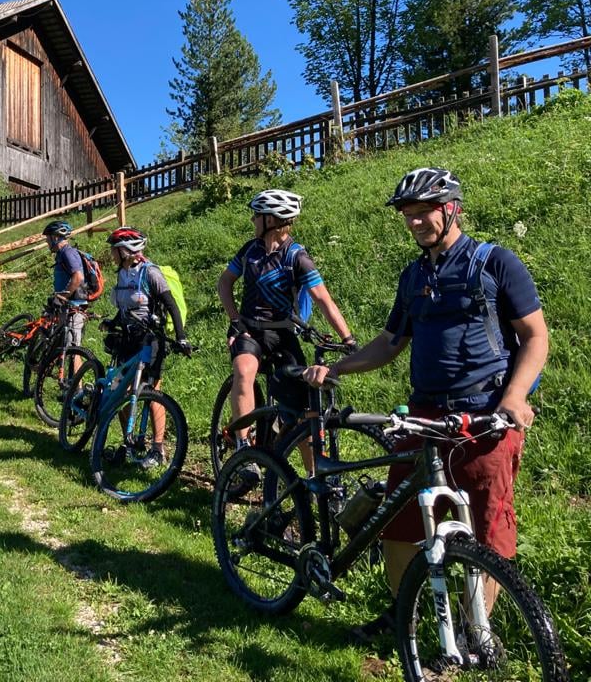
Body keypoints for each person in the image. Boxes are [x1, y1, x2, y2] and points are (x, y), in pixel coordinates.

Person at [303, 167, 549, 642]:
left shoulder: (495, 263)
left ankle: (476, 634)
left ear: (452, 209)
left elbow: (535, 336)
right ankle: (405, 618)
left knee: (486, 528)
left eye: (424, 213)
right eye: (408, 215)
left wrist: (515, 397)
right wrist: (338, 368)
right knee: (399, 522)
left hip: (484, 416)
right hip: (424, 414)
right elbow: (391, 342)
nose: (415, 223)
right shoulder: (414, 275)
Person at [217, 189, 354, 450]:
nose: (253, 220)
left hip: (283, 334)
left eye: (256, 215)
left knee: (304, 411)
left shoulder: (296, 257)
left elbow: (323, 299)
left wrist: (348, 339)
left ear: (270, 220)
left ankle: (313, 473)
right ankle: (243, 450)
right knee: (244, 371)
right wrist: (235, 321)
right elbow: (224, 283)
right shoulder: (250, 250)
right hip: (250, 331)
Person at [101, 227, 192, 468]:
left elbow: (171, 305)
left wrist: (181, 337)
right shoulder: (122, 273)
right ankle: (129, 443)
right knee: (120, 391)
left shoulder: (150, 273)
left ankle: (158, 449)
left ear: (126, 251)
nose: (111, 254)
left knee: (152, 394)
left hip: (150, 340)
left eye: (114, 249)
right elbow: (125, 308)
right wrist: (113, 322)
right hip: (128, 339)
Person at [43, 220, 88, 349]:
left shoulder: (68, 253)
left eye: (48, 238)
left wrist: (63, 297)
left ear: (55, 237)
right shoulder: (61, 254)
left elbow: (78, 276)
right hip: (65, 306)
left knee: (72, 349)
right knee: (62, 346)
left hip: (74, 307)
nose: (47, 241)